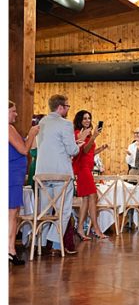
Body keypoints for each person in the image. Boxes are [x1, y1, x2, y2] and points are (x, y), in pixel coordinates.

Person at [34, 94, 79, 254]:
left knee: (44, 210)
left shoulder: (42, 122)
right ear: (60, 107)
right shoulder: (65, 124)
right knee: (63, 210)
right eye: (67, 106)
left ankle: (40, 245)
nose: (68, 110)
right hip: (61, 174)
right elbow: (72, 150)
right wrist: (78, 145)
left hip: (42, 173)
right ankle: (56, 244)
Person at [9, 101, 38, 265]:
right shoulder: (7, 127)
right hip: (11, 176)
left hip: (14, 175)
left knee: (13, 215)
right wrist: (32, 133)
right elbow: (23, 150)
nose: (16, 114)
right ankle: (10, 249)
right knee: (12, 215)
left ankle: (10, 248)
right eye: (13, 111)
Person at [71, 110, 108, 241]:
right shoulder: (78, 134)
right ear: (80, 120)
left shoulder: (88, 135)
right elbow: (83, 150)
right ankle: (96, 229)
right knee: (93, 196)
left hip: (87, 167)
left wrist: (100, 149)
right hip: (81, 168)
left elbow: (89, 153)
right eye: (84, 118)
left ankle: (80, 228)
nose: (87, 120)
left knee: (87, 199)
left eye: (89, 118)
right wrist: (94, 137)